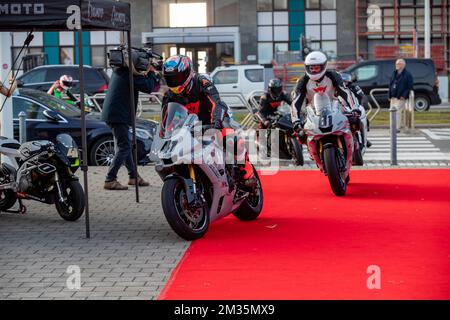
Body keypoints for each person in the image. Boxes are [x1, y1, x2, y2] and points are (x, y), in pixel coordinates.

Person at [161, 55, 256, 189]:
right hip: (189, 129)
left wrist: (216, 122)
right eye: (170, 79)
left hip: (212, 121)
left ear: (187, 73)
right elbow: (166, 120)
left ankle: (247, 174)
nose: (174, 82)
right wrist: (164, 136)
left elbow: (217, 103)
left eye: (177, 77)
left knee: (230, 138)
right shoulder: (169, 95)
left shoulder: (202, 82)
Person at [102, 49, 160, 190]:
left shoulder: (121, 71)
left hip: (115, 114)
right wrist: (152, 71)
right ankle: (110, 179)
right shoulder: (130, 75)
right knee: (124, 146)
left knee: (125, 145)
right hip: (118, 115)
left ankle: (134, 177)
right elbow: (149, 87)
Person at [291, 51, 360, 140]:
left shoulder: (333, 75)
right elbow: (296, 101)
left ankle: (357, 143)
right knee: (301, 136)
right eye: (311, 68)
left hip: (335, 108)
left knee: (355, 122)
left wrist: (354, 108)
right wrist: (295, 121)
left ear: (323, 66)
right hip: (313, 113)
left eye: (317, 68)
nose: (314, 71)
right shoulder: (302, 81)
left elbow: (345, 91)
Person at [388, 58, 413, 132]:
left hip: (401, 97)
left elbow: (409, 87)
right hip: (393, 97)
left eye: (398, 64)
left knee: (397, 112)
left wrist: (404, 96)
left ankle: (396, 128)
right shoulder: (394, 73)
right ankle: (392, 127)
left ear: (403, 65)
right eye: (396, 64)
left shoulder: (407, 75)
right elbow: (390, 84)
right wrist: (389, 95)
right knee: (391, 112)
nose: (396, 65)